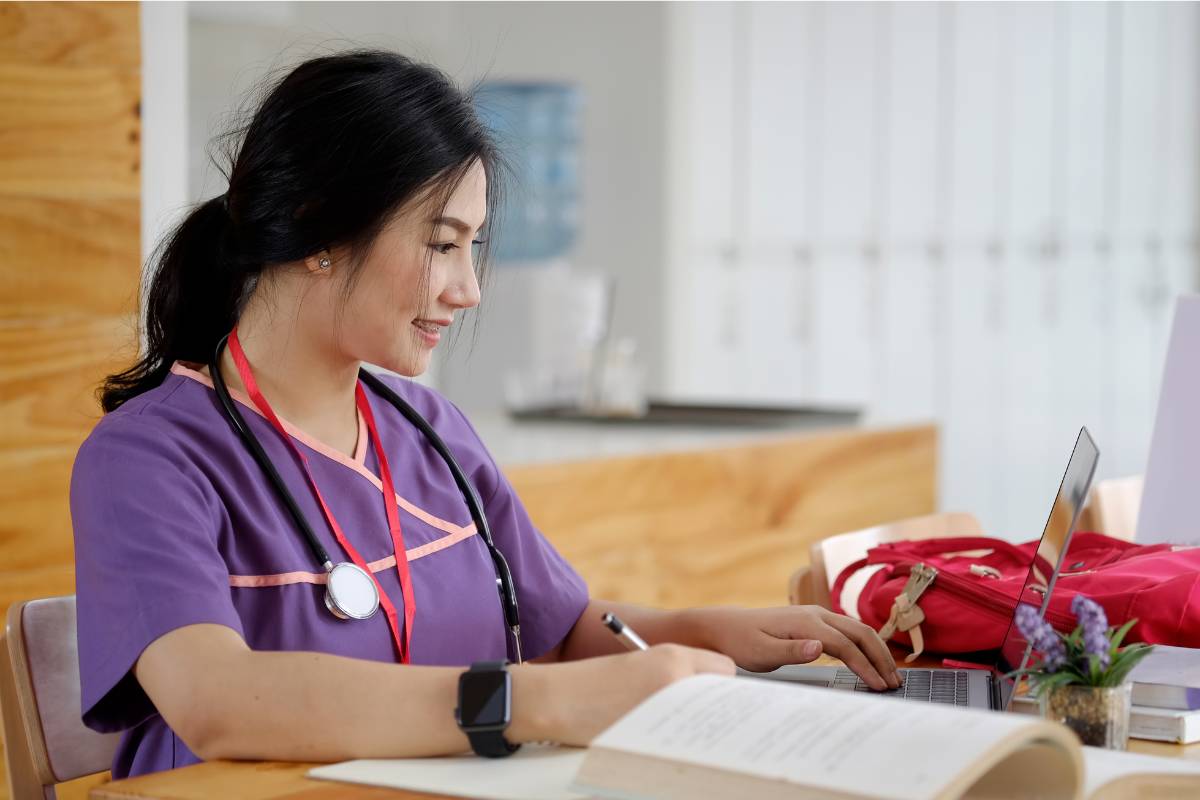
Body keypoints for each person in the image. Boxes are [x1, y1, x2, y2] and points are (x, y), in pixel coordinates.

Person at [70, 49, 899, 780]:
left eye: (474, 246)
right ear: (320, 229)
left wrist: (711, 632)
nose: (468, 290)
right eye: (441, 244)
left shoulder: (432, 433)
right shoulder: (148, 457)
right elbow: (219, 703)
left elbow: (562, 630)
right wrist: (535, 702)